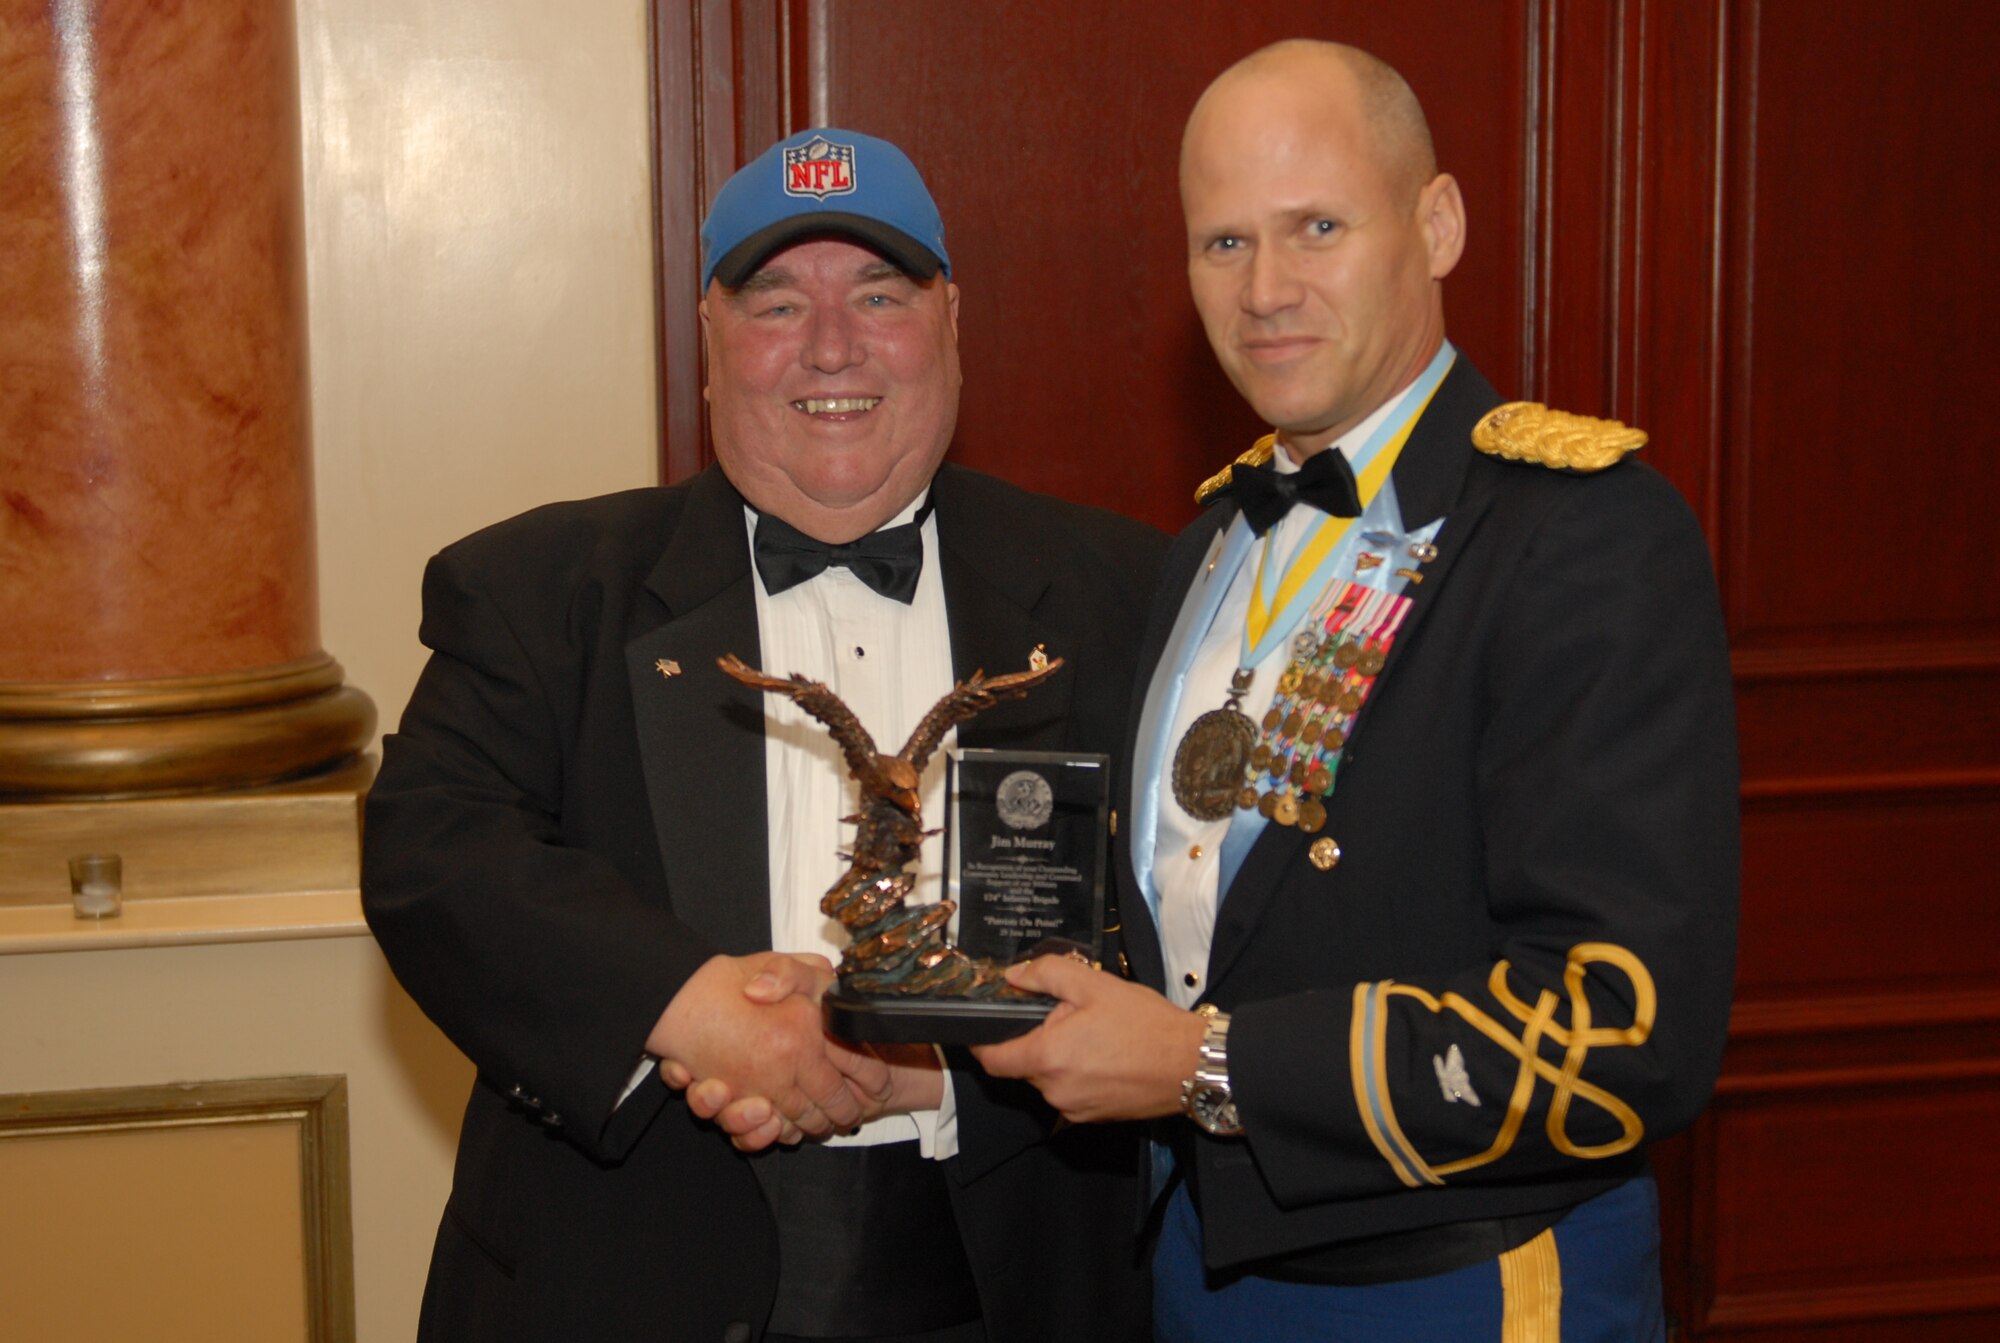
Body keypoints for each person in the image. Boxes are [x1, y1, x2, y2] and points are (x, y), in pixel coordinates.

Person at [974, 39, 1739, 1341]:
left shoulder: (1581, 533)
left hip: (1456, 1284)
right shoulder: (1205, 549)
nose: (1266, 289)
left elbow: (1629, 1025)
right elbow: (1219, 906)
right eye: (1223, 244)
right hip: (1194, 1267)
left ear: (1436, 224)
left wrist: (1203, 1063)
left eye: (1316, 225)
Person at [362, 127, 1163, 1343]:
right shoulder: (538, 588)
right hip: (625, 1273)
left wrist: (948, 1066)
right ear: (706, 341)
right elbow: (434, 852)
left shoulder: (1120, 592)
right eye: (777, 300)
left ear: (953, 322)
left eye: (880, 296)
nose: (831, 346)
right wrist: (691, 1004)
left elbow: (1193, 928)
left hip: (1006, 1270)